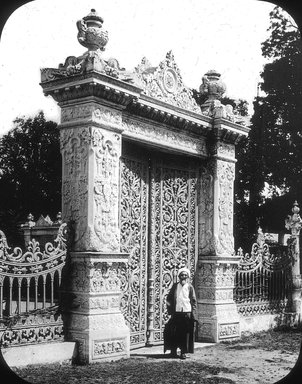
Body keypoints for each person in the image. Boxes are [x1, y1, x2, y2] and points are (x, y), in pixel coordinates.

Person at [164, 267, 197, 360]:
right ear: (179, 276)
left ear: (188, 277)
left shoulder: (190, 287)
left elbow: (193, 301)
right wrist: (170, 310)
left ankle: (183, 352)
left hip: (186, 312)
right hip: (177, 312)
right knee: (175, 332)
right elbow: (169, 298)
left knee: (185, 333)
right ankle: (173, 351)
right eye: (182, 275)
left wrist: (194, 314)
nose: (183, 277)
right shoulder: (175, 286)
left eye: (185, 275)